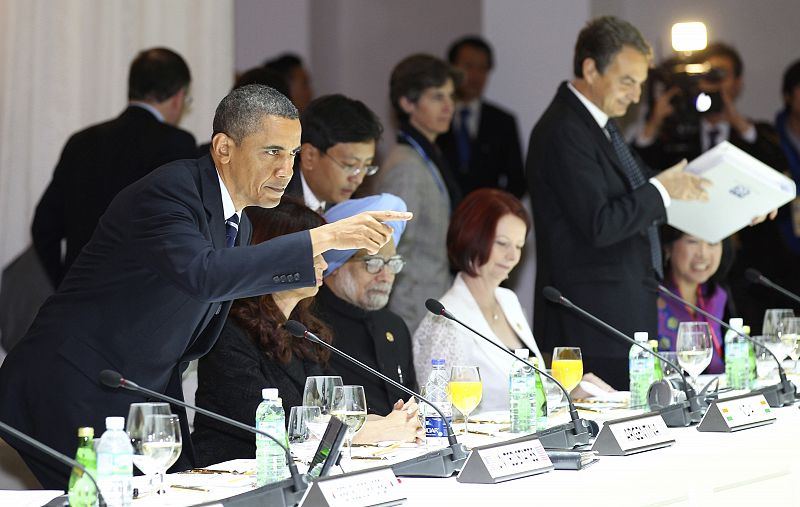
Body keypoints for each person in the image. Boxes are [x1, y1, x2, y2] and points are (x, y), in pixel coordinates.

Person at [0, 84, 410, 489]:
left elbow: (221, 296)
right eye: (271, 152)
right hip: (71, 384)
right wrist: (324, 238)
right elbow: (205, 273)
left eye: (292, 154)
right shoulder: (170, 192)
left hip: (139, 394)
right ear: (224, 148)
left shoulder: (240, 221)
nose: (286, 170)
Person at [526, 17, 712, 390]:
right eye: (627, 81)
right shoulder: (565, 129)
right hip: (591, 325)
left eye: (641, 84)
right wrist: (663, 188)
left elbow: (646, 194)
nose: (636, 96)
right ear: (591, 68)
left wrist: (732, 201)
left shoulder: (600, 126)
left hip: (619, 318)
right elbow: (601, 223)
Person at [193, 199, 420, 466]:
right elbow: (285, 428)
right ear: (273, 257)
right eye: (314, 254)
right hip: (231, 481)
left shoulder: (305, 331)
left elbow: (331, 415)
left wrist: (392, 421)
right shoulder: (228, 333)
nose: (324, 265)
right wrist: (378, 431)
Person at [31, 47, 198, 287]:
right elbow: (177, 232)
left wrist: (63, 284)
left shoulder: (81, 142)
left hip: (78, 300)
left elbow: (43, 227)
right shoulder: (175, 144)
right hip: (137, 300)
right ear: (178, 97)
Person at [413, 189, 541, 412]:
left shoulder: (509, 300)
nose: (512, 256)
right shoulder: (444, 318)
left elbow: (534, 387)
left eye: (519, 246)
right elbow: (437, 412)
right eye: (502, 243)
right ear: (471, 238)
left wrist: (575, 389)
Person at [360, 54, 461, 332]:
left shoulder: (427, 157)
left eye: (451, 96)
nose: (449, 106)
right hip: (412, 310)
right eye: (437, 97)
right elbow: (393, 249)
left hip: (429, 302)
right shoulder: (406, 166)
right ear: (407, 102)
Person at [318, 193, 417, 416]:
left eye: (392, 263)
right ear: (336, 266)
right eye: (373, 263)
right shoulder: (310, 327)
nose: (386, 276)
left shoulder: (394, 325)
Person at [437, 36, 525, 200]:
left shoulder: (503, 121)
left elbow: (517, 181)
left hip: (486, 217)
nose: (475, 75)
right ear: (451, 68)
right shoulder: (436, 117)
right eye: (468, 66)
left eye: (482, 68)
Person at [285, 94, 383, 211]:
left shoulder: (352, 208)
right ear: (309, 156)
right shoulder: (273, 206)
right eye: (349, 165)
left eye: (366, 166)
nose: (358, 179)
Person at [657, 227, 734, 373]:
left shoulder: (716, 296)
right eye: (692, 242)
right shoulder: (653, 298)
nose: (703, 254)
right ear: (668, 248)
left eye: (712, 243)